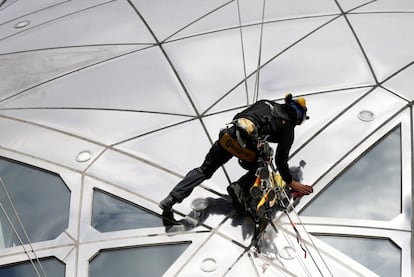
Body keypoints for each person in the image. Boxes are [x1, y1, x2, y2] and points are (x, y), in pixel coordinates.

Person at [159, 94, 313, 225]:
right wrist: (291, 182)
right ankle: (240, 188)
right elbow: (281, 161)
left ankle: (171, 199)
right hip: (247, 148)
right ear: (298, 117)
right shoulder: (288, 129)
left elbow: (239, 117)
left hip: (228, 135)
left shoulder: (265, 103)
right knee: (265, 160)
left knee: (204, 170)